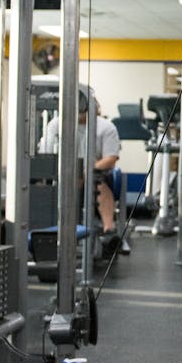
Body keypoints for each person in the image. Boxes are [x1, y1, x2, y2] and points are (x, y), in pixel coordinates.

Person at [39, 91, 125, 250]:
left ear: (94, 107)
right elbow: (46, 154)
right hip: (63, 174)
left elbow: (111, 159)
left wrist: (87, 170)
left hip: (96, 173)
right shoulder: (56, 124)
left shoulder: (106, 127)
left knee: (96, 182)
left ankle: (109, 230)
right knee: (43, 184)